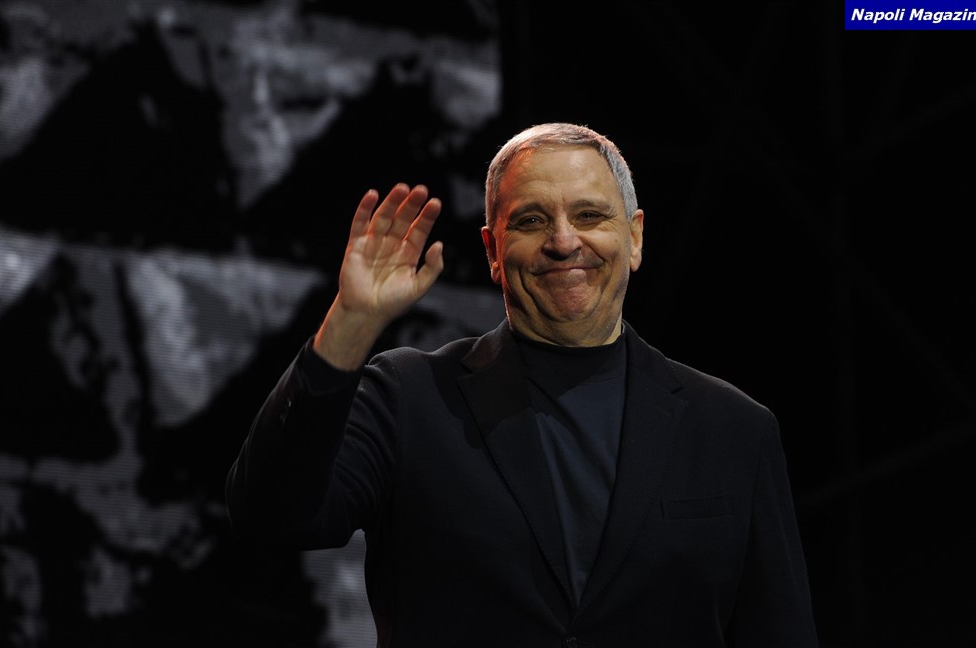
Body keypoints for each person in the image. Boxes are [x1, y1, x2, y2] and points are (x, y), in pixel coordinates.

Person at [226, 122, 820, 646]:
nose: (563, 242)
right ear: (492, 249)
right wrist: (350, 324)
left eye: (589, 215)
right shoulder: (409, 397)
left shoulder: (734, 429)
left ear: (635, 236)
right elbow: (271, 516)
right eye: (532, 220)